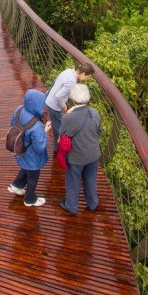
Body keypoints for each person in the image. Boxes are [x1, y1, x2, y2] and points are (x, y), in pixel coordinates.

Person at [58, 83, 101, 215]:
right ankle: (93, 203)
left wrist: (68, 114)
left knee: (73, 180)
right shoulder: (95, 113)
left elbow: (62, 134)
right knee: (90, 179)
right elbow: (98, 132)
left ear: (72, 99)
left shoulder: (68, 117)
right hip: (93, 153)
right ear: (87, 97)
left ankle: (71, 206)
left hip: (76, 157)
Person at [7, 89, 51, 207]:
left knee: (26, 168)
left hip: (20, 149)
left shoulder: (19, 109)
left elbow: (13, 124)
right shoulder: (36, 125)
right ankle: (30, 199)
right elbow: (40, 147)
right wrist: (45, 131)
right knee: (33, 175)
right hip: (32, 155)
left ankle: (16, 186)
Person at [45, 63, 94, 153]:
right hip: (55, 106)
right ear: (83, 74)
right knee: (59, 129)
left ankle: (57, 145)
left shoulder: (69, 71)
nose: (87, 79)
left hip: (50, 100)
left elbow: (56, 82)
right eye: (88, 77)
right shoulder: (72, 81)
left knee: (57, 124)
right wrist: (63, 106)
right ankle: (57, 149)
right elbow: (59, 96)